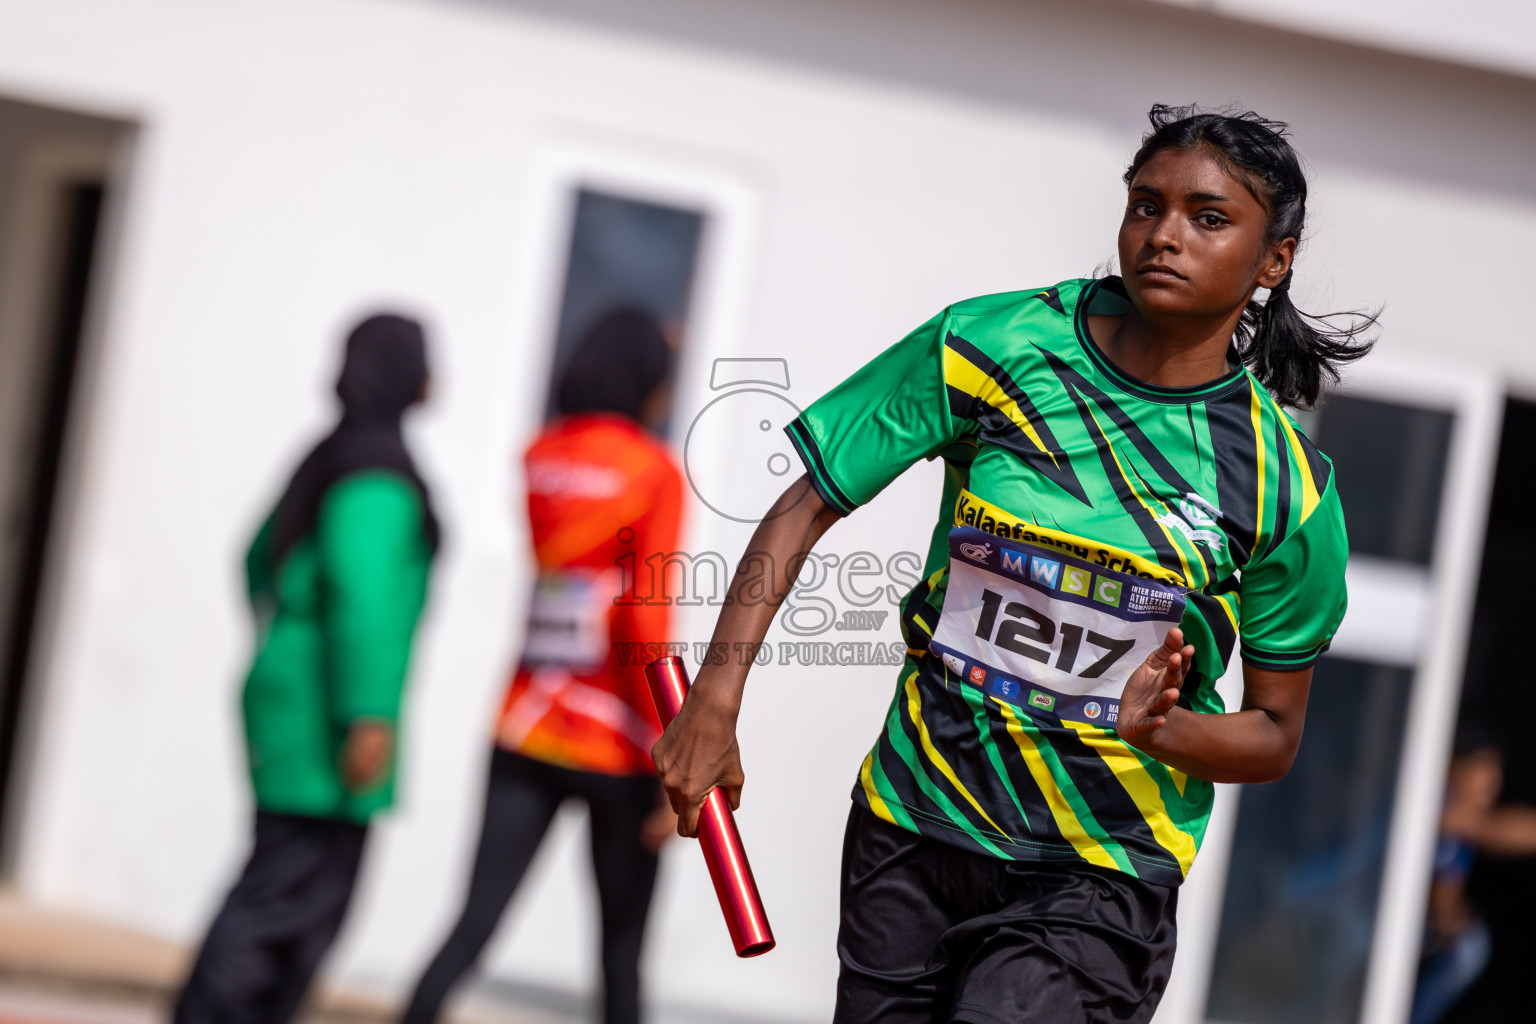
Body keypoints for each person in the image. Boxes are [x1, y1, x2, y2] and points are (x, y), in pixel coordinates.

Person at [653, 105, 1371, 1023]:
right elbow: (806, 503)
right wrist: (715, 701)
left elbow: (1274, 736)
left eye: (1208, 216)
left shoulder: (1287, 485)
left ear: (1275, 261)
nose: (1165, 235)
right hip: (912, 824)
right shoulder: (992, 346)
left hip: (1097, 874)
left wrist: (1160, 730)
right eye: (1145, 205)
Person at [402, 309, 681, 1024]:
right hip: (619, 739)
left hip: (526, 721)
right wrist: (672, 742)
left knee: (473, 924)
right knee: (620, 959)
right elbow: (641, 622)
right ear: (645, 379)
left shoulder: (540, 456)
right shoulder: (653, 471)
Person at [174, 314, 439, 1024]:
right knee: (290, 903)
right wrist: (369, 712)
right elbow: (364, 596)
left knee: (284, 890)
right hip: (328, 711)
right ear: (410, 376)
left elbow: (258, 559)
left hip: (291, 690)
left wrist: (286, 629)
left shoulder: (326, 457)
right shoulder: (378, 477)